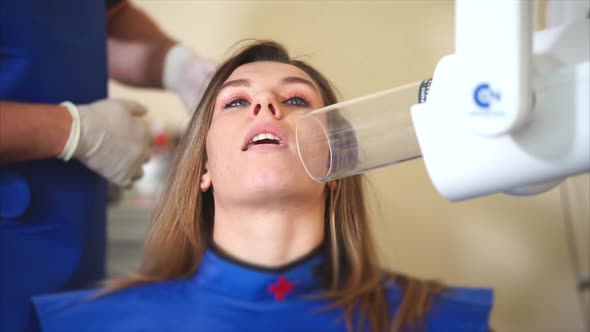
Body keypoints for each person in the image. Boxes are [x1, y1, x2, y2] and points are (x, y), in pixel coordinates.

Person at [30, 40, 492, 332]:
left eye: (295, 99)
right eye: (235, 101)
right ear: (203, 167)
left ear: (338, 162)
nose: (267, 104)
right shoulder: (82, 324)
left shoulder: (438, 320)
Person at [0, 1, 214, 331]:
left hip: (71, 233)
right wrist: (71, 129)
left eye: (295, 99)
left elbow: (97, 19)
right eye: (240, 101)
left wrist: (177, 66)